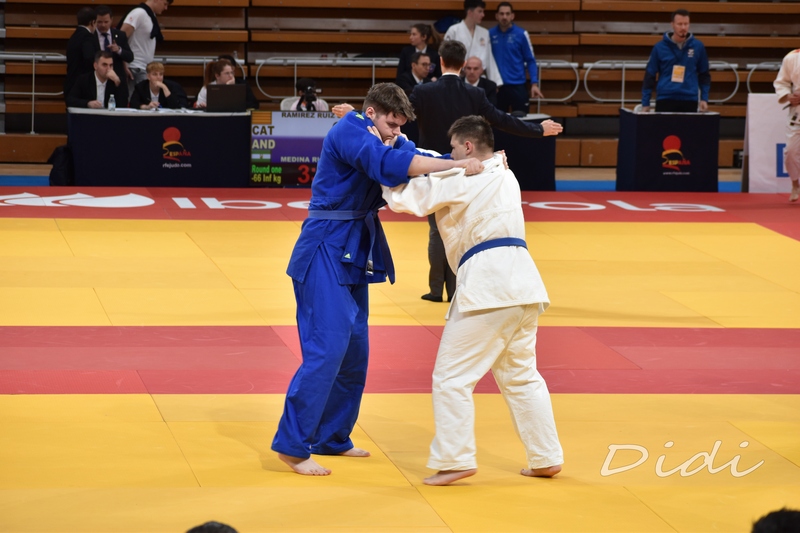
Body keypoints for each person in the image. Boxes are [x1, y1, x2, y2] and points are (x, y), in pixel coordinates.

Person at [271, 83, 485, 477]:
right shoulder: (349, 131)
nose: (395, 132)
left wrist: (473, 161)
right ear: (371, 112)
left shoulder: (380, 134)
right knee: (328, 348)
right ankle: (292, 445)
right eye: (391, 123)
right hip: (324, 247)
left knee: (355, 351)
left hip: (353, 249)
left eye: (400, 125)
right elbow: (390, 165)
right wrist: (455, 166)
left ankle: (332, 436)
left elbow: (416, 156)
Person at [381, 115, 564, 486]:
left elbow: (405, 200)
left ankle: (455, 460)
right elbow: (436, 160)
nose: (449, 156)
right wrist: (401, 144)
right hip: (524, 286)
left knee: (451, 377)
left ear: (467, 148)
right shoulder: (505, 173)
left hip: (488, 287)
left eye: (453, 149)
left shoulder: (462, 177)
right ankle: (546, 456)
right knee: (521, 377)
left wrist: (380, 160)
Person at [409, 39, 562, 303]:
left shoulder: (422, 92)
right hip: (467, 169)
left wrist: (359, 116)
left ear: (441, 61)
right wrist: (538, 129)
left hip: (435, 169)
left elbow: (396, 115)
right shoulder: (475, 94)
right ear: (463, 63)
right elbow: (503, 120)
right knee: (462, 227)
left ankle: (435, 289)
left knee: (436, 230)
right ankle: (457, 289)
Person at [641, 9, 710, 113]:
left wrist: (704, 98)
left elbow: (704, 74)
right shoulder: (659, 47)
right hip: (665, 98)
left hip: (689, 99)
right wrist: (645, 103)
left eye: (686, 24)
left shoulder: (698, 47)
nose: (683, 27)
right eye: (679, 24)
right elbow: (649, 75)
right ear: (672, 24)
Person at [490, 2, 542, 114]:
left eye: (507, 14)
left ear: (512, 16)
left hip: (518, 86)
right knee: (496, 121)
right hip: (497, 86)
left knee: (521, 120)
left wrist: (534, 83)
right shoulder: (489, 34)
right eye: (501, 14)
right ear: (496, 16)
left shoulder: (521, 34)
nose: (504, 17)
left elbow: (530, 60)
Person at [120, 0, 171, 98]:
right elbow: (121, 37)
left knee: (143, 101)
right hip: (134, 66)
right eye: (165, 4)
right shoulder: (139, 13)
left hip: (144, 67)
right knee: (134, 101)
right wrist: (124, 64)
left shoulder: (150, 16)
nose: (165, 8)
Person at [444, 0, 502, 87]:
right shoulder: (453, 31)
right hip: (459, 78)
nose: (483, 15)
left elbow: (489, 58)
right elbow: (446, 57)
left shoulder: (484, 32)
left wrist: (495, 81)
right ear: (470, 12)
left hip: (479, 79)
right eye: (480, 11)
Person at [774, 48, 800, 202]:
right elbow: (781, 82)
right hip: (797, 114)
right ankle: (795, 184)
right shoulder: (792, 58)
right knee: (790, 152)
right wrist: (787, 96)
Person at [94, 5, 134, 101]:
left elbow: (130, 57)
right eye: (99, 22)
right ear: (94, 21)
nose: (103, 25)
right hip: (97, 81)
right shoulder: (90, 35)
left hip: (117, 82)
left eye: (106, 22)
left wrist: (119, 50)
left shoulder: (120, 35)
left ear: (111, 20)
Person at [64, 7, 98, 98]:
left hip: (71, 82)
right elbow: (89, 58)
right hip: (82, 86)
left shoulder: (74, 36)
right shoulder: (87, 37)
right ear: (92, 22)